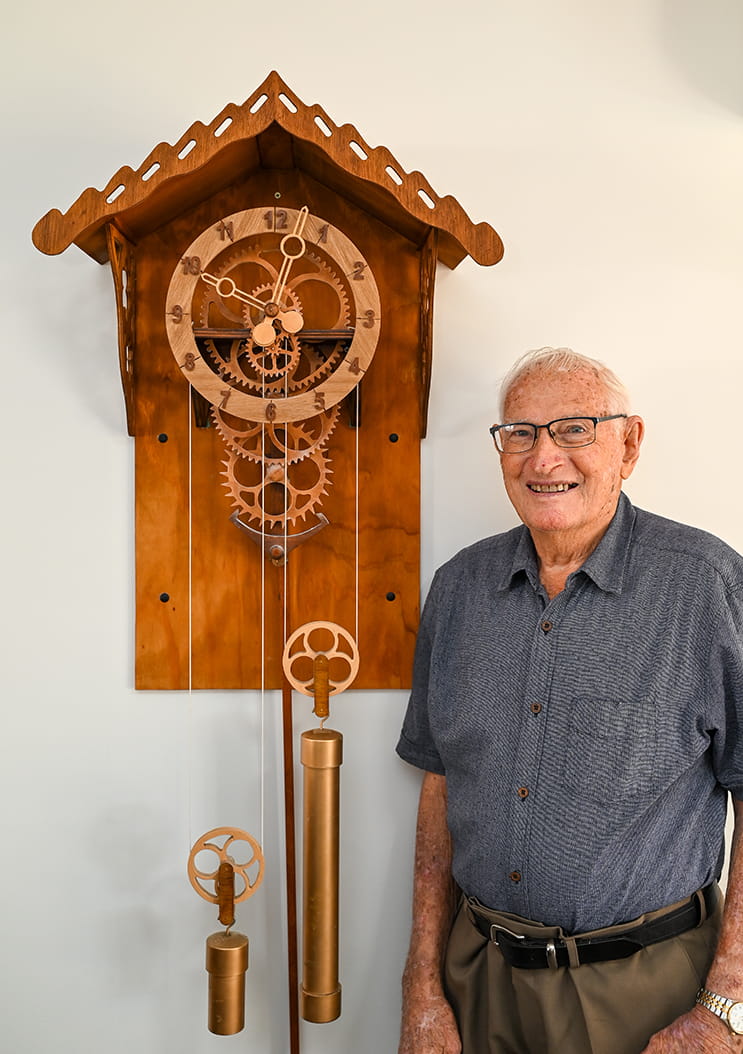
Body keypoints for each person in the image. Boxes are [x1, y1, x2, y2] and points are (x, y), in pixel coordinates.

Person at [396, 347, 743, 1054]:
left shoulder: (707, 585)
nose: (542, 458)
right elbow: (438, 787)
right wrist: (421, 987)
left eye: (574, 429)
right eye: (519, 433)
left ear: (629, 443)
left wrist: (726, 1005)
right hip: (477, 983)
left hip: (647, 995)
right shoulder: (459, 589)